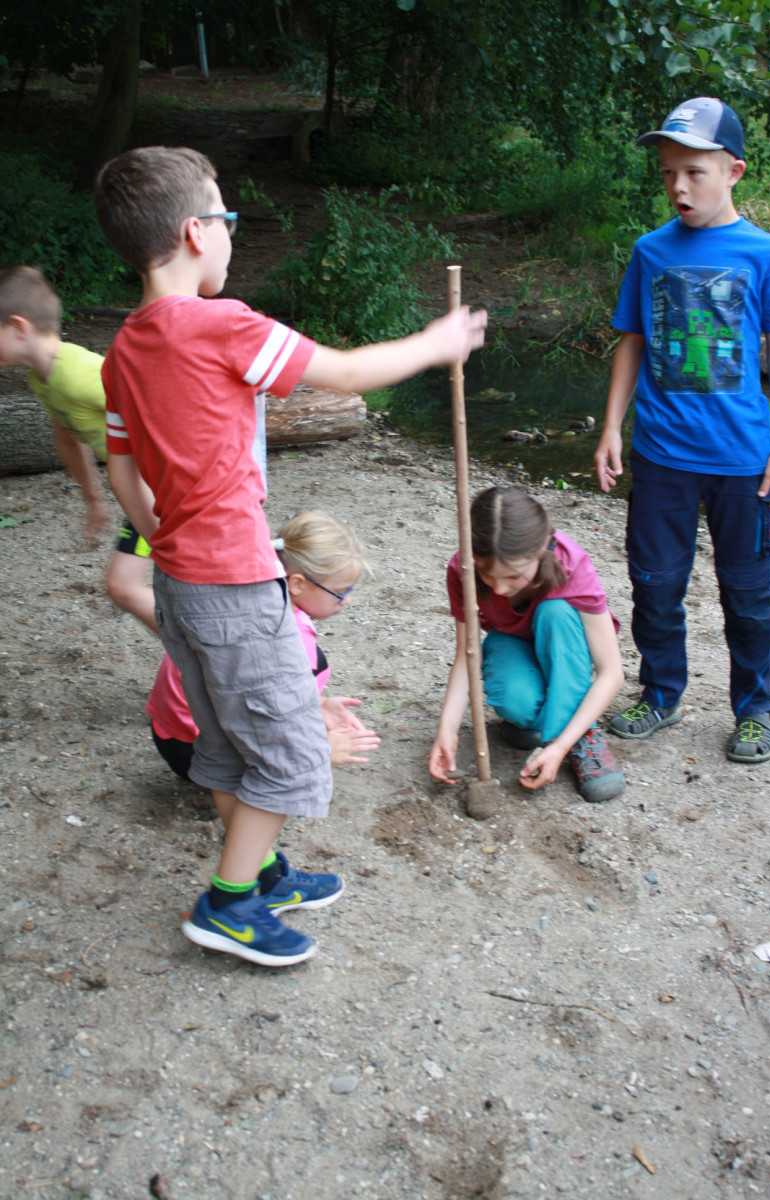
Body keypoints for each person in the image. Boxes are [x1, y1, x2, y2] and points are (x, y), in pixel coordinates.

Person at [93, 144, 487, 968]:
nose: (232, 235)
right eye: (228, 218)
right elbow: (343, 374)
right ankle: (229, 903)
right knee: (290, 750)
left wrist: (163, 532)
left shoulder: (125, 347)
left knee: (226, 744)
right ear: (197, 232)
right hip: (235, 584)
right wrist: (435, 341)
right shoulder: (222, 324)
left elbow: (122, 466)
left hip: (180, 583)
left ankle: (262, 872)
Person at [593, 97, 770, 766]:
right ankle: (661, 694)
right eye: (668, 173)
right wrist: (611, 429)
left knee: (749, 595)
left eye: (694, 172)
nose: (678, 186)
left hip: (745, 459)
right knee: (655, 586)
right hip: (662, 457)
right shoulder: (650, 251)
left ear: (733, 171)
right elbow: (631, 341)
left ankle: (755, 711)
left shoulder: (766, 254)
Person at [147, 509, 380, 779]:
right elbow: (269, 716)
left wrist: (317, 703)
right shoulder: (287, 634)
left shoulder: (252, 587)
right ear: (297, 584)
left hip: (168, 732)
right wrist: (321, 748)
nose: (347, 600)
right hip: (200, 754)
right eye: (340, 592)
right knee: (310, 667)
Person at [428, 487, 626, 804]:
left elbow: (611, 672)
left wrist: (560, 746)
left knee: (555, 612)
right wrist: (447, 729)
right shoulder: (462, 570)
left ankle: (580, 737)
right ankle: (547, 718)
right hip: (513, 638)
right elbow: (466, 656)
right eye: (487, 575)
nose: (499, 589)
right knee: (515, 701)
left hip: (565, 643)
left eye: (513, 576)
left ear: (542, 549)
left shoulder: (570, 563)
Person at [0, 265, 156, 632]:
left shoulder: (77, 374)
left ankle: (203, 653)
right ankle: (192, 653)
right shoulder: (43, 379)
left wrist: (153, 492)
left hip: (162, 491)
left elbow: (155, 413)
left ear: (19, 327)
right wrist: (94, 498)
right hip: (143, 493)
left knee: (166, 579)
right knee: (124, 586)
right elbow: (68, 439)